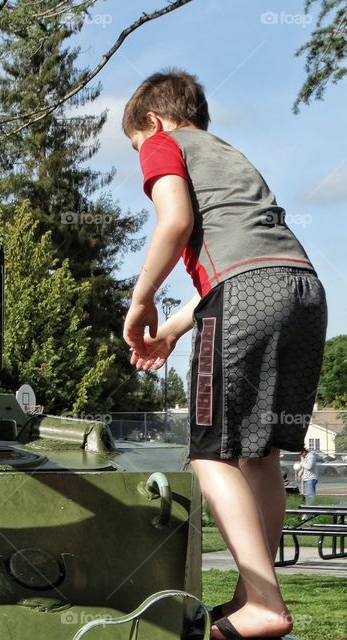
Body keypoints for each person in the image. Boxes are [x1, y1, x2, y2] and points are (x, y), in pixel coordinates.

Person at [120, 70, 327, 640]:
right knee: (258, 455)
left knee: (210, 453)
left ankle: (263, 602)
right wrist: (176, 331)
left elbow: (176, 221)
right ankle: (248, 596)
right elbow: (247, 266)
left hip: (245, 294)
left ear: (153, 122)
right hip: (303, 291)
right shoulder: (229, 154)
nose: (144, 156)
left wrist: (141, 302)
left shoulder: (163, 142)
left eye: (137, 145)